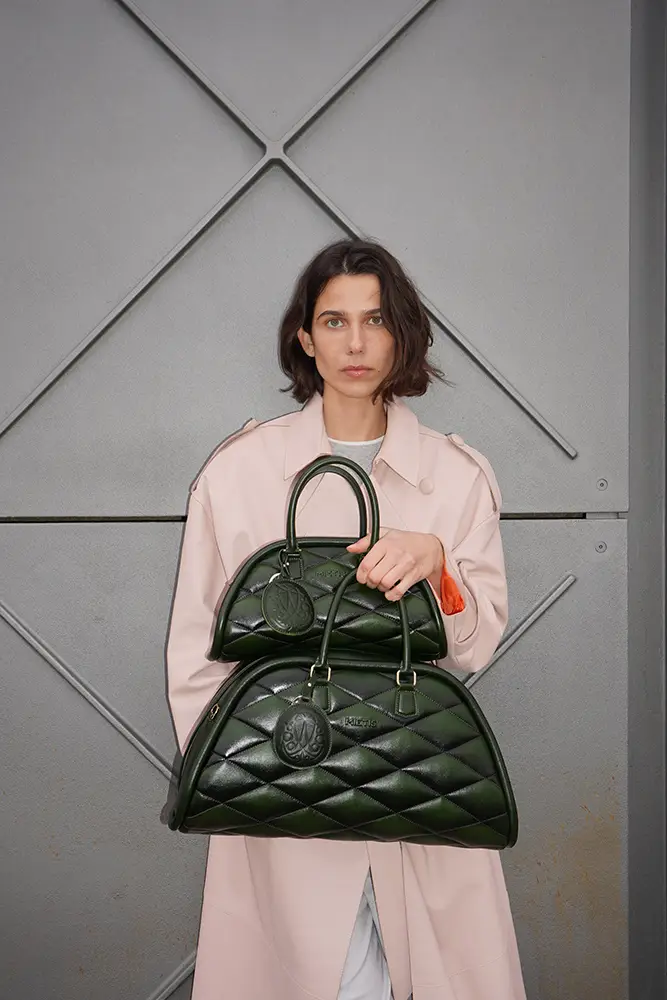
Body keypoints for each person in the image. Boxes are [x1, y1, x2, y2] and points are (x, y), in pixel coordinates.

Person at [166, 238, 526, 1000]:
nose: (355, 343)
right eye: (333, 321)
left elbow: (476, 644)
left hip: (418, 789)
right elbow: (195, 655)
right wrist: (249, 773)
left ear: (402, 333)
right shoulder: (239, 471)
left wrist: (438, 565)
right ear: (304, 337)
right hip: (282, 802)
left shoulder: (454, 477)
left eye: (375, 319)